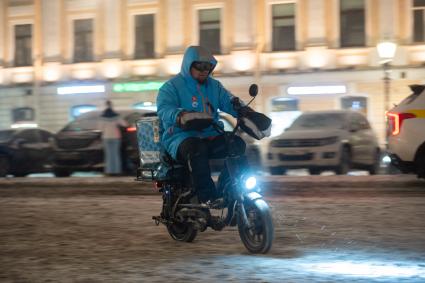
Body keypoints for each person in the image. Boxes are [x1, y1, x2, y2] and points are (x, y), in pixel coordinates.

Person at [156, 46, 246, 203]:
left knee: (236, 144)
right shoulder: (171, 87)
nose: (205, 70)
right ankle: (207, 196)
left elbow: (230, 102)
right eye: (200, 66)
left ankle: (229, 189)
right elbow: (164, 109)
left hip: (211, 134)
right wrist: (180, 116)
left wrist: (246, 112)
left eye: (208, 66)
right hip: (180, 137)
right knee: (197, 149)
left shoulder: (215, 87)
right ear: (188, 64)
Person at [98, 100, 128, 176]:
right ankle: (117, 171)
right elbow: (124, 124)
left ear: (105, 105)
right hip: (116, 137)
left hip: (106, 137)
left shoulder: (102, 117)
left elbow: (100, 128)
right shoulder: (116, 116)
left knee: (108, 155)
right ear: (111, 105)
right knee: (116, 154)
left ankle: (109, 171)